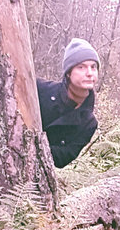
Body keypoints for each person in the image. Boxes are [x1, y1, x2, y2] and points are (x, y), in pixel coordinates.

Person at [37, 38, 100, 168]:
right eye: (81, 67)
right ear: (68, 73)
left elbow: (63, 159)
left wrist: (33, 146)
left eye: (93, 67)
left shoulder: (88, 123)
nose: (89, 73)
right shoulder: (40, 90)